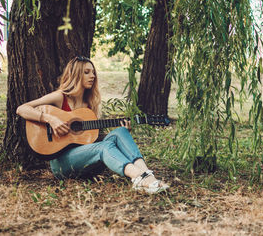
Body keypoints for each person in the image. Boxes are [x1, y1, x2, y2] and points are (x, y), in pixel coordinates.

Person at [16, 56, 169, 194]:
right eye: (87, 72)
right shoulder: (60, 97)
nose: (93, 76)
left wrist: (125, 130)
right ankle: (138, 177)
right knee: (103, 147)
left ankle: (148, 177)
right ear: (76, 74)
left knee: (120, 132)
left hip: (86, 162)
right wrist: (51, 119)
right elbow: (22, 109)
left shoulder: (90, 105)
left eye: (93, 72)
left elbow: (91, 140)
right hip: (62, 165)